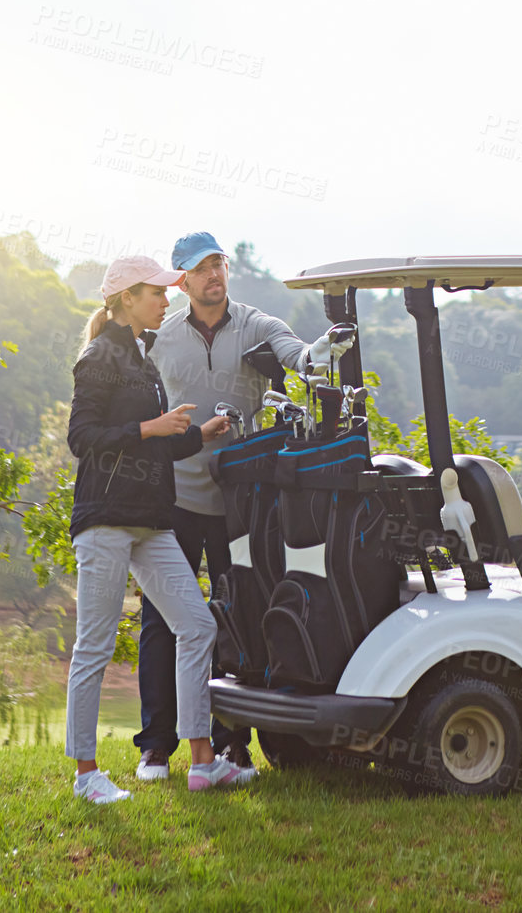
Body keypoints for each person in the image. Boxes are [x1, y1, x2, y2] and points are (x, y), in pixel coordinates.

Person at [134, 231, 350, 779]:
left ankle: (233, 745)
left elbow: (294, 352)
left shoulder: (255, 324)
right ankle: (155, 746)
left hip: (240, 505)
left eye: (219, 264)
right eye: (201, 268)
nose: (214, 275)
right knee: (162, 620)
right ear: (181, 280)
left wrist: (314, 357)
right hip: (174, 499)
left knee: (240, 618)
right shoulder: (160, 336)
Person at [64, 254, 258, 803]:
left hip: (151, 521)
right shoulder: (99, 357)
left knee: (198, 626)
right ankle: (85, 776)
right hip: (104, 520)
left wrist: (201, 433)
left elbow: (158, 443)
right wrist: (150, 426)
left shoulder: (144, 362)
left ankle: (202, 762)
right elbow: (83, 437)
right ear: (128, 298)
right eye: (158, 293)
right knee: (94, 647)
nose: (167, 301)